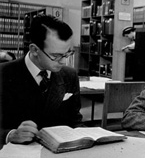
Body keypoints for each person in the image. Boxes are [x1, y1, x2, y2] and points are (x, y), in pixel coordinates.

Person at [0, 14, 83, 145]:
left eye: (68, 53)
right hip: (13, 155)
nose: (63, 61)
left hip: (60, 156)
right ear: (34, 50)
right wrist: (10, 135)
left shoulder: (70, 75)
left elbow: (75, 120)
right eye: (56, 55)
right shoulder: (3, 74)